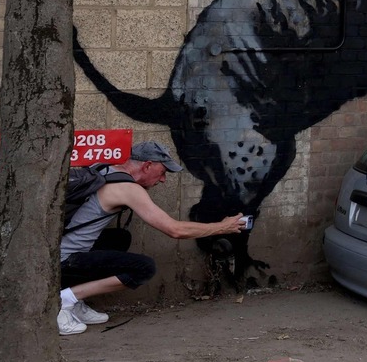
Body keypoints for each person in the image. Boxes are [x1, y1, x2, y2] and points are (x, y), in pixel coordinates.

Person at [57, 140, 246, 335]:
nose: (163, 180)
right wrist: (222, 227)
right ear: (147, 165)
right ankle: (64, 301)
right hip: (64, 261)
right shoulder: (128, 189)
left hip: (54, 253)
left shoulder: (104, 169)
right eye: (163, 172)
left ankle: (75, 299)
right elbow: (175, 230)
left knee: (120, 238)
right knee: (144, 268)